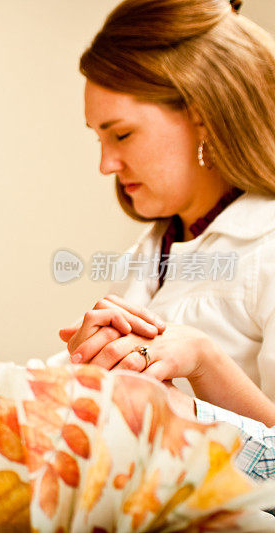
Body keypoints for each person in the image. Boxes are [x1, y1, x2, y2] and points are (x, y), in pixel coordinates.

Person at [56, 0, 275, 400]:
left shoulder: (267, 249)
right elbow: (35, 394)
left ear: (203, 116)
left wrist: (206, 363)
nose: (106, 164)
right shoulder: (154, 250)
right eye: (99, 139)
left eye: (121, 135)